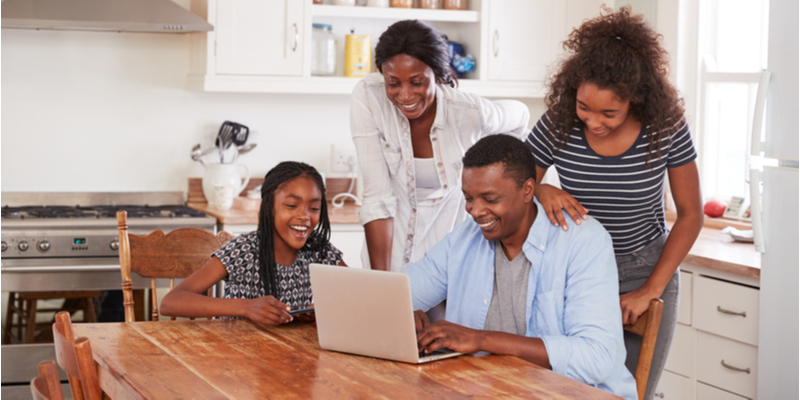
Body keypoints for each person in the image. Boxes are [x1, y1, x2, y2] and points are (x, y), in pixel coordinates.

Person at [525, 6, 703, 399]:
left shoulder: (665, 127)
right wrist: (542, 189)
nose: (593, 121)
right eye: (584, 107)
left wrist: (652, 289)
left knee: (633, 392)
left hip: (643, 271)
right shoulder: (558, 121)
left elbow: (692, 215)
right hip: (575, 273)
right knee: (567, 390)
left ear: (635, 100)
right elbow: (515, 183)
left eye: (610, 112)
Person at [404, 135, 637, 400]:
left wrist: (481, 340)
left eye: (490, 199)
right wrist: (399, 312)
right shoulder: (465, 237)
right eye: (469, 198)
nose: (475, 211)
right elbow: (399, 294)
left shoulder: (584, 242)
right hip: (488, 389)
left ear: (528, 190)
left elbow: (597, 358)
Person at [350, 20, 530, 282]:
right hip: (389, 251)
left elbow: (520, 115)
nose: (405, 95)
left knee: (443, 324)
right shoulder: (369, 96)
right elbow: (377, 199)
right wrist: (385, 288)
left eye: (417, 82)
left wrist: (516, 183)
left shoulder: (469, 112)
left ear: (437, 74)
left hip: (448, 257)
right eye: (394, 83)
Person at [161, 162, 345, 324]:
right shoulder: (244, 250)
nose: (304, 216)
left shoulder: (320, 251)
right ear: (268, 207)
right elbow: (171, 302)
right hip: (237, 356)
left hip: (294, 356)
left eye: (314, 208)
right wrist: (246, 307)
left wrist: (319, 310)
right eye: (291, 205)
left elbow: (358, 294)